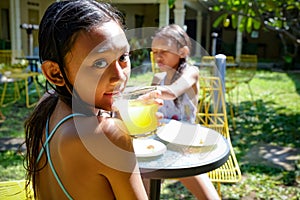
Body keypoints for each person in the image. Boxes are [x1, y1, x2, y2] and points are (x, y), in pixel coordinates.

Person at [24, 1, 148, 199]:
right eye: (99, 63)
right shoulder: (107, 136)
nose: (119, 76)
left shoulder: (47, 105)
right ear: (55, 73)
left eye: (123, 57)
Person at [150, 24, 220, 200]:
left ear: (182, 52)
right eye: (154, 52)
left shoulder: (191, 72)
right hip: (160, 141)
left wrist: (138, 92)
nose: (158, 57)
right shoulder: (158, 79)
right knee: (142, 183)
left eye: (164, 51)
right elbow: (152, 109)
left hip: (184, 145)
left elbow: (173, 91)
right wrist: (153, 114)